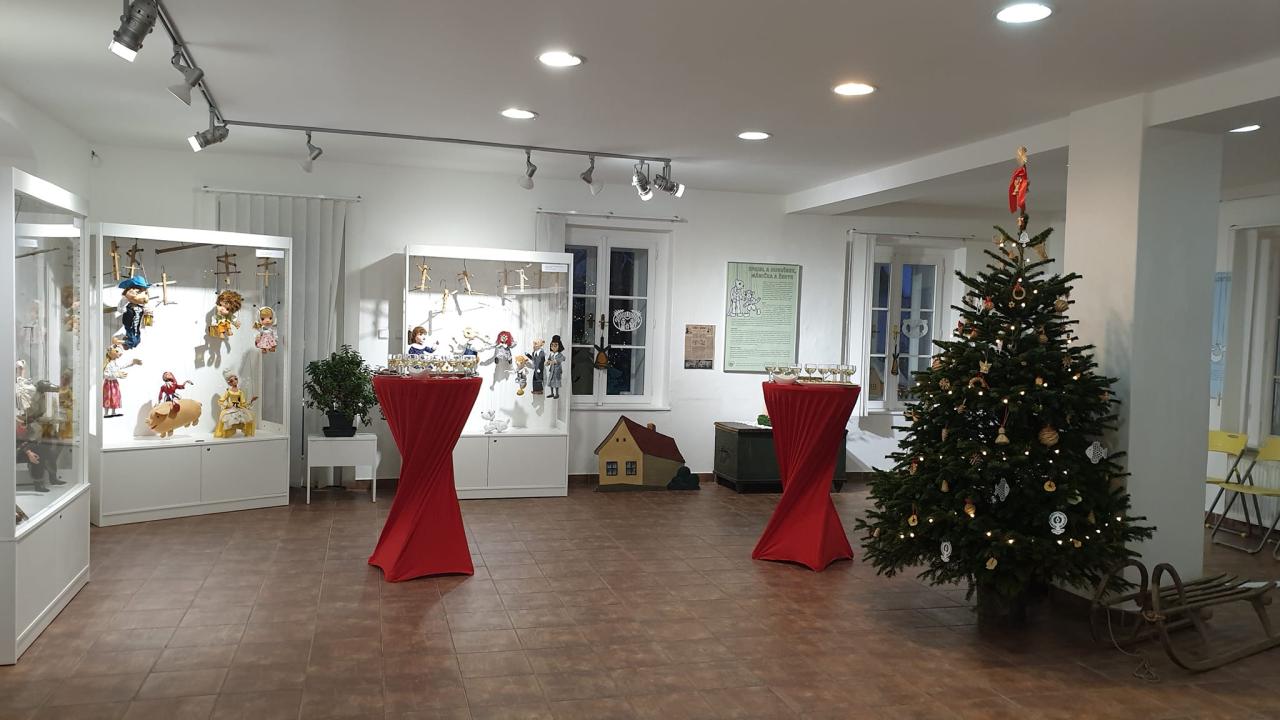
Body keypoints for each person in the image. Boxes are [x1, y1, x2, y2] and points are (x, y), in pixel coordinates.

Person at [213, 371, 258, 438]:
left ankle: (244, 430)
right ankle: (227, 432)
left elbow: (243, 403)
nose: (234, 381)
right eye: (232, 381)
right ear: (229, 383)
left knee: (248, 417)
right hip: (231, 408)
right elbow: (221, 401)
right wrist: (227, 405)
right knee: (227, 418)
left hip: (239, 407)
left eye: (236, 379)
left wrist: (251, 400)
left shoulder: (240, 392)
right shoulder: (228, 391)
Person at [117, 275, 152, 349]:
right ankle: (119, 342)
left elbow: (146, 306)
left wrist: (147, 312)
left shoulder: (142, 297)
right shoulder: (127, 297)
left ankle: (126, 341)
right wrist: (124, 308)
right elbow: (120, 308)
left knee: (138, 340)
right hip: (129, 322)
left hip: (137, 322)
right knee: (132, 339)